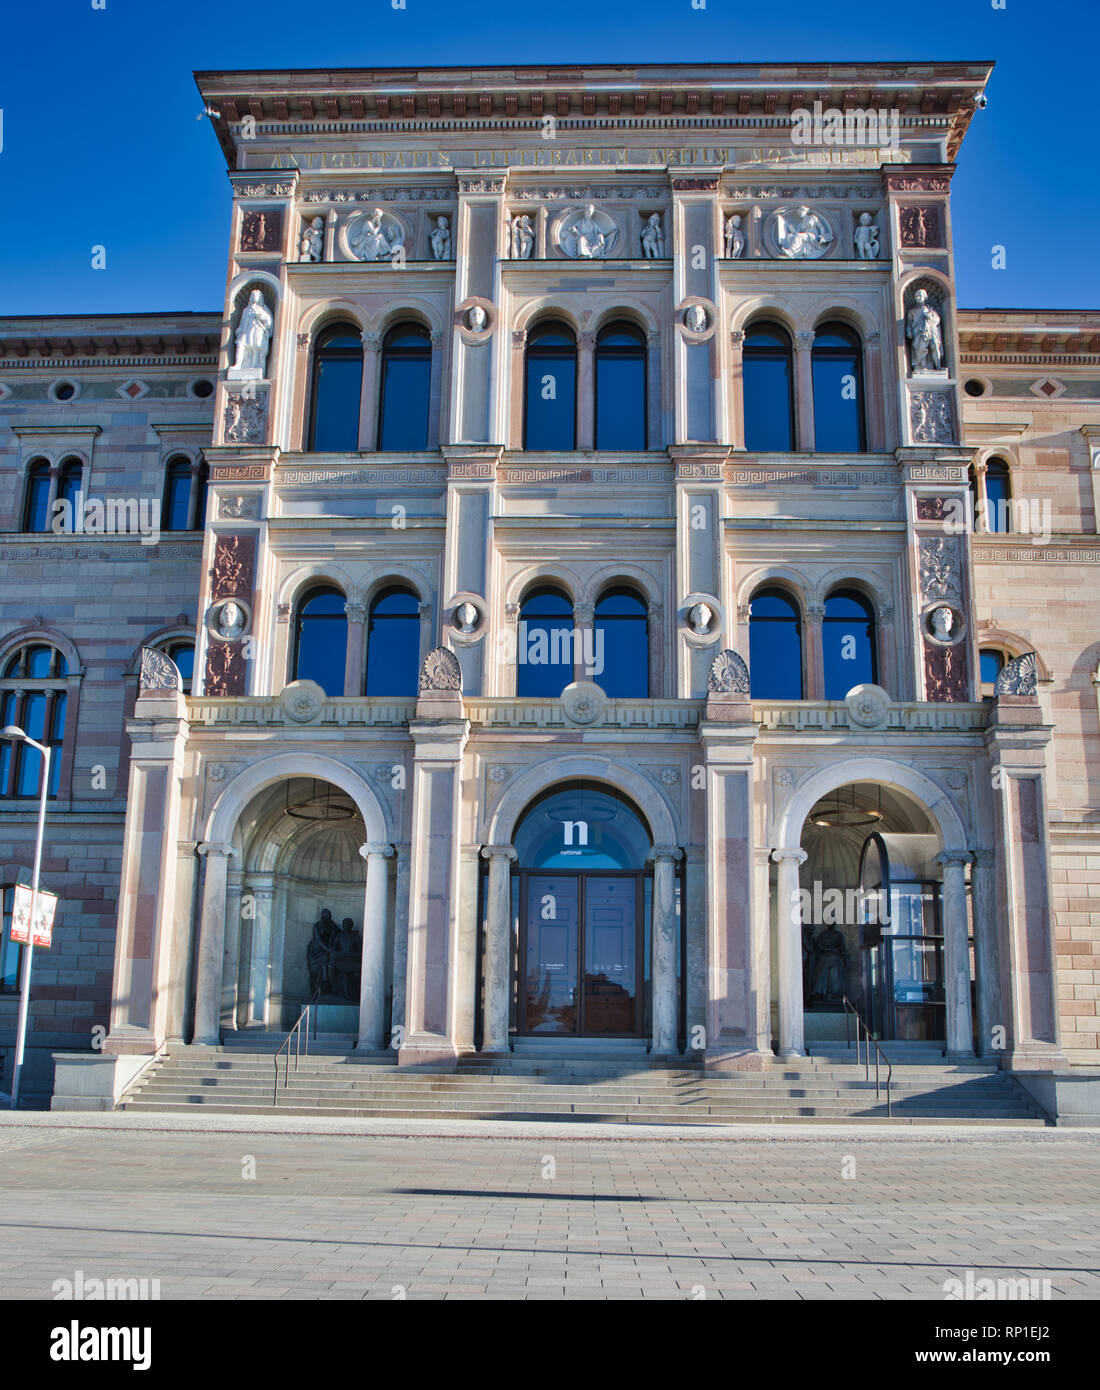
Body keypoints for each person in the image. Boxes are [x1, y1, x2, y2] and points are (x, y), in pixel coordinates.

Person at [232, 290, 273, 373]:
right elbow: (242, 322)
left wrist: (260, 317)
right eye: (253, 295)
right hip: (246, 330)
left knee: (256, 347)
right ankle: (238, 364)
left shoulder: (264, 309)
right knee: (240, 344)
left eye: (256, 295)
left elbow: (269, 322)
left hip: (258, 329)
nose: (254, 297)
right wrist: (239, 329)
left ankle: (255, 366)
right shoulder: (246, 310)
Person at [906, 288, 943, 371]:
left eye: (920, 296)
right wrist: (908, 331)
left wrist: (930, 317)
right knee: (920, 349)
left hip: (931, 330)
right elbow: (909, 323)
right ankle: (921, 367)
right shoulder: (912, 311)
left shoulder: (930, 309)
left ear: (925, 297)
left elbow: (937, 319)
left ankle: (938, 366)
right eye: (916, 296)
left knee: (935, 346)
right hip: (918, 332)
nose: (918, 298)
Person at [306, 908, 339, 997]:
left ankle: (327, 988)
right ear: (322, 917)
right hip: (315, 951)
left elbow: (339, 933)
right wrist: (328, 949)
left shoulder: (332, 925)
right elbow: (319, 940)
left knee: (329, 966)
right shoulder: (317, 926)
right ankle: (315, 991)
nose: (326, 919)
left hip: (326, 951)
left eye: (328, 917)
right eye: (325, 917)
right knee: (315, 971)